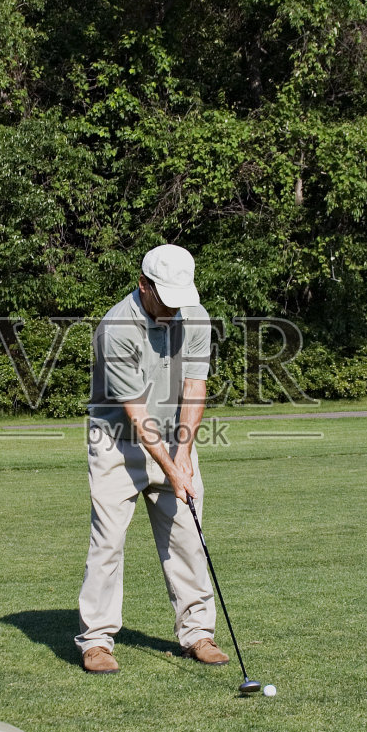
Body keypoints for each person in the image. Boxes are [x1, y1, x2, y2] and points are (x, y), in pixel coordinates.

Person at [76, 244, 228, 674]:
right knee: (108, 542)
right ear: (143, 285)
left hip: (175, 437)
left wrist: (182, 456)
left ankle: (198, 633)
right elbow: (137, 413)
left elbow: (194, 388)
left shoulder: (193, 315)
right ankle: (96, 641)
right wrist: (169, 464)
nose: (174, 310)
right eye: (166, 299)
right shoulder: (116, 327)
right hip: (117, 441)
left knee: (187, 534)